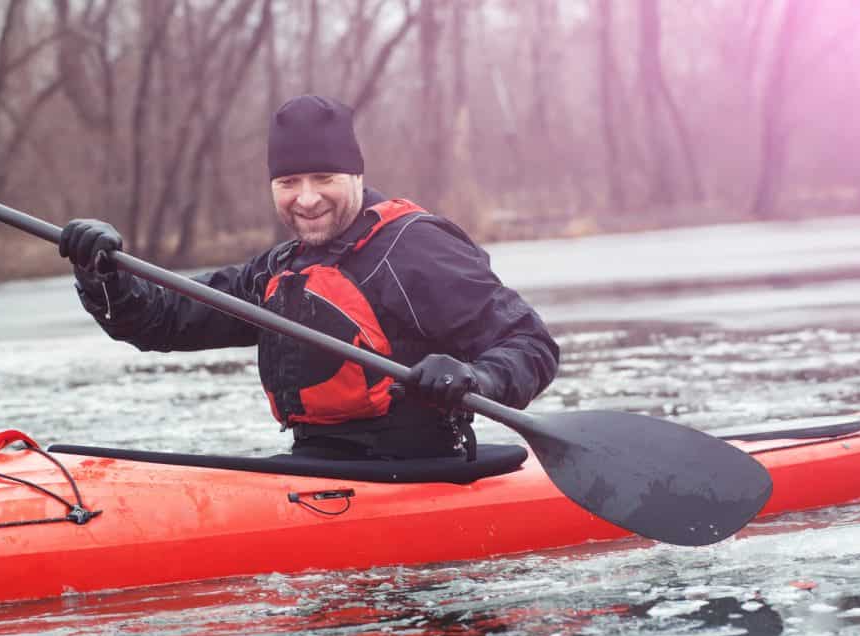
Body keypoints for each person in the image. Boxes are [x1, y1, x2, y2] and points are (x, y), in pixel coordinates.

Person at [60, 95, 559, 460]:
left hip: (420, 468)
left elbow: (531, 344)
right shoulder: (280, 268)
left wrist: (476, 376)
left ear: (356, 177)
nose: (306, 197)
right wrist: (100, 272)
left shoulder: (416, 250)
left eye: (324, 178)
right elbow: (162, 322)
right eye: (288, 182)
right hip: (313, 471)